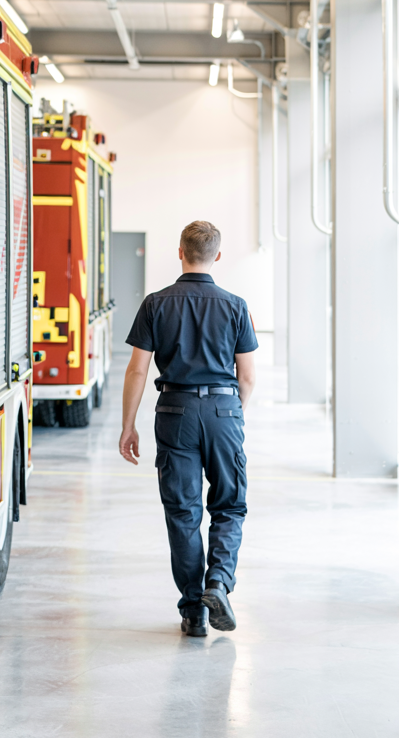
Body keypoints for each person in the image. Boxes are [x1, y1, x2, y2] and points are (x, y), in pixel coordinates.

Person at [118, 220, 257, 637]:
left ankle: (193, 611)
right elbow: (247, 376)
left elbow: (137, 370)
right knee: (229, 504)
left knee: (183, 512)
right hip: (222, 408)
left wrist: (129, 425)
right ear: (218, 256)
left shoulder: (156, 303)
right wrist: (233, 413)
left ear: (180, 252)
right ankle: (219, 583)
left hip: (175, 410)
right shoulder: (235, 305)